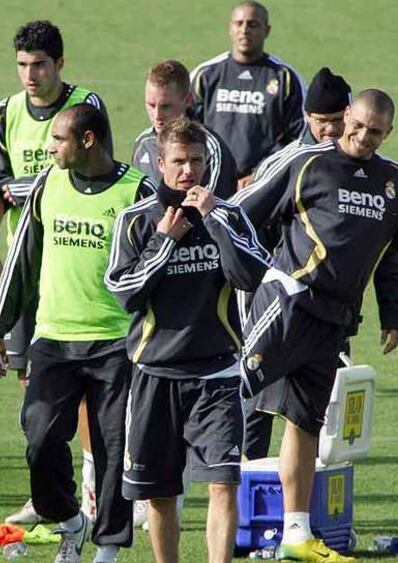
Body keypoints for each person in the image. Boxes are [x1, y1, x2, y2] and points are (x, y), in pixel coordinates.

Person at [0, 103, 156, 563]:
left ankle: (108, 548)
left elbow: (158, 270)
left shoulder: (137, 191)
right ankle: (69, 520)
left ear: (87, 141)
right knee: (39, 436)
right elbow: (22, 260)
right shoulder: (48, 185)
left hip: (116, 343)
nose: (50, 146)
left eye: (58, 139)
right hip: (54, 338)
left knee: (113, 448)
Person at [232, 89, 398, 562]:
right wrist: (253, 276)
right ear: (347, 116)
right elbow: (242, 213)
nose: (364, 137)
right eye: (359, 125)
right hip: (286, 307)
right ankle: (158, 493)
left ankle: (296, 534)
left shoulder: (392, 183)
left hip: (335, 321)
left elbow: (393, 258)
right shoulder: (306, 163)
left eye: (376, 131)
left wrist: (393, 315)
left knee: (304, 423)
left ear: (388, 133)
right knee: (229, 396)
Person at [105, 116, 271, 563]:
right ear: (160, 163)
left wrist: (214, 219)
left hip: (216, 373)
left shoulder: (227, 213)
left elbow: (252, 274)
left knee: (223, 482)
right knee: (159, 494)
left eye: (196, 161)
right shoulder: (137, 221)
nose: (188, 171)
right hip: (154, 374)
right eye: (178, 161)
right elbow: (125, 293)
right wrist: (164, 243)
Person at [0, 19, 112, 525]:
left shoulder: (87, 106)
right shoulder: (5, 114)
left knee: (77, 376)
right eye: (22, 65)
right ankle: (49, 493)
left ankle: (93, 486)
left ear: (60, 63)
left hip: (73, 261)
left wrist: (30, 183)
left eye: (39, 64)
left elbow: (96, 171)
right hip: (24, 262)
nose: (30, 75)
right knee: (30, 377)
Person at [244, 67, 352, 461]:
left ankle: (316, 501)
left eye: (337, 122)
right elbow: (245, 221)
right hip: (276, 302)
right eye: (322, 122)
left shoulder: (359, 166)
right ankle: (249, 484)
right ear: (307, 117)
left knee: (324, 404)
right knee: (255, 397)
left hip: (332, 308)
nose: (329, 130)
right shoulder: (287, 162)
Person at [190, 1, 305, 188]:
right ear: (230, 28)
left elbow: (298, 135)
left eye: (252, 24)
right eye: (239, 23)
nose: (245, 30)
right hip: (210, 179)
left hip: (262, 183)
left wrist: (261, 171)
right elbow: (188, 127)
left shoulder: (285, 77)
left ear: (266, 30)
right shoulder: (205, 75)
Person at [133, 59, 237, 198]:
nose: (157, 116)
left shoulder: (210, 148)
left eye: (166, 106)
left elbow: (219, 211)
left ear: (187, 100)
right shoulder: (143, 144)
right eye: (151, 105)